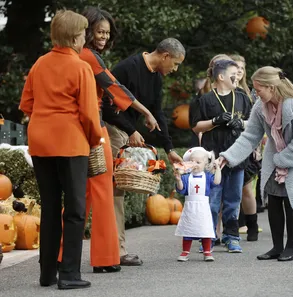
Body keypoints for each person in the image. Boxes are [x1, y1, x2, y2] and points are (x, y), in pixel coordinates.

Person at [59, 6, 158, 274]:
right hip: (94, 129)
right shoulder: (89, 57)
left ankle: (60, 256)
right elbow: (115, 88)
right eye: (99, 31)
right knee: (102, 191)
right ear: (85, 31)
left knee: (85, 194)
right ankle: (104, 258)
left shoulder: (65, 58)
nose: (103, 36)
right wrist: (145, 112)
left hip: (74, 131)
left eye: (106, 32)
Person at [19, 10, 102, 289]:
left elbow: (27, 105)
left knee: (51, 206)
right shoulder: (81, 67)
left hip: (40, 142)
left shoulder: (39, 64)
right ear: (75, 37)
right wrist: (94, 141)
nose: (85, 39)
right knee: (76, 209)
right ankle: (69, 274)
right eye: (83, 35)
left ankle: (46, 274)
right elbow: (90, 114)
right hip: (70, 142)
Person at [218, 66, 293, 261]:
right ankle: (277, 247)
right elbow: (250, 136)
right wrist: (227, 157)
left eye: (258, 89)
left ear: (271, 87)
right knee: (274, 201)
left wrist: (282, 159)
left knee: (291, 202)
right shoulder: (260, 107)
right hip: (275, 159)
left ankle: (290, 249)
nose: (255, 93)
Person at [104, 38, 185, 265]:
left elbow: (157, 113)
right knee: (114, 191)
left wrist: (169, 149)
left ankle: (114, 250)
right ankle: (116, 252)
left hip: (125, 132)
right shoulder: (127, 68)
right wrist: (131, 130)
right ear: (165, 56)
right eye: (176, 63)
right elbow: (107, 108)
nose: (175, 69)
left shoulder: (156, 77)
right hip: (111, 130)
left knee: (116, 191)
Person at [190, 59, 252, 253]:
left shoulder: (242, 97)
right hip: (213, 157)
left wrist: (241, 124)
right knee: (213, 199)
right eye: (234, 73)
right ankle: (208, 237)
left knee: (233, 199)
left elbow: (253, 124)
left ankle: (232, 236)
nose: (238, 76)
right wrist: (214, 121)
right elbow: (195, 125)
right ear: (221, 76)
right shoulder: (204, 99)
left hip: (236, 156)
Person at [230, 54, 260, 241]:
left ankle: (253, 226)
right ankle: (231, 227)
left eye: (242, 67)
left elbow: (256, 122)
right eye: (236, 67)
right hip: (225, 144)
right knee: (228, 190)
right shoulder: (218, 92)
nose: (239, 70)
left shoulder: (248, 94)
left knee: (247, 189)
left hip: (245, 142)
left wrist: (255, 146)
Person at [174, 147, 221, 262]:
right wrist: (178, 179)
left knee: (205, 229)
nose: (195, 164)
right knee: (188, 229)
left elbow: (216, 182)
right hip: (190, 207)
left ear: (205, 164)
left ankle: (207, 251)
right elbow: (181, 189)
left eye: (198, 162)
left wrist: (218, 168)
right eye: (192, 161)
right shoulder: (186, 177)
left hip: (203, 208)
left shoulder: (208, 177)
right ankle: (185, 251)